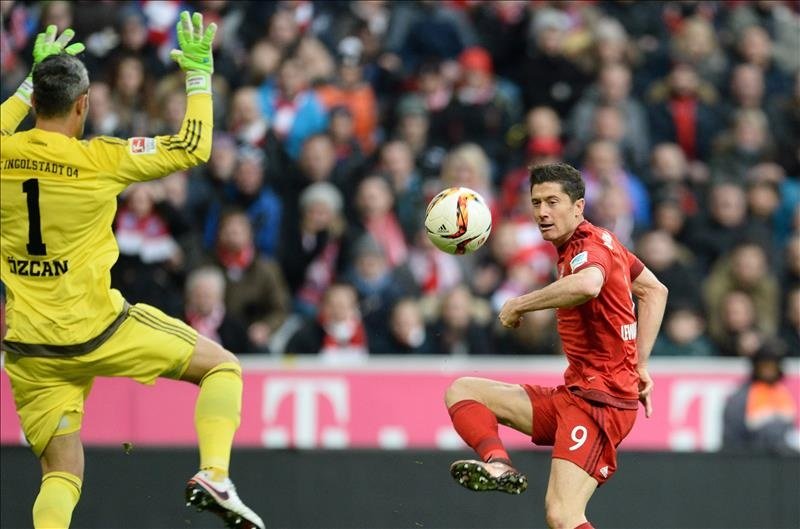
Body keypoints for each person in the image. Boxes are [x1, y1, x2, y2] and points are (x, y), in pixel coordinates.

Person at [0, 16, 265, 529]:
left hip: (28, 345)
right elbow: (194, 146)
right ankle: (214, 473)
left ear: (34, 105)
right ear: (83, 106)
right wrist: (197, 76)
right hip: (98, 328)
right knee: (221, 367)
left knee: (60, 472)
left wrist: (30, 81)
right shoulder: (101, 158)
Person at [443, 163, 668, 529]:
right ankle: (498, 464)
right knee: (464, 391)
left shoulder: (588, 246)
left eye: (552, 201)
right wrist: (641, 364)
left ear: (578, 206)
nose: (542, 212)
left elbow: (588, 284)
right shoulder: (602, 242)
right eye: (536, 203)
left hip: (602, 402)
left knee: (563, 516)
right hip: (576, 394)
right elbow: (655, 290)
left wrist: (519, 303)